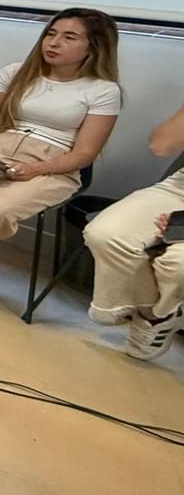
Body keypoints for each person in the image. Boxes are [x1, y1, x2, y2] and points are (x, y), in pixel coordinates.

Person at [0, 8, 121, 280]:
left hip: (52, 164)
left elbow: (85, 154)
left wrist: (36, 169)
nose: (53, 42)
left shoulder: (103, 90)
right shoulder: (15, 72)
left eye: (69, 37)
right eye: (51, 34)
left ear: (94, 47)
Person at [83, 100, 184, 361]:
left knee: (177, 264)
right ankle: (155, 314)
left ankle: (159, 314)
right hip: (179, 189)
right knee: (105, 234)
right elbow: (161, 146)